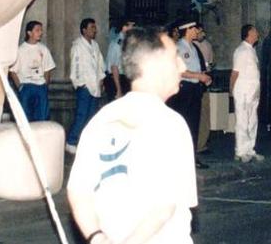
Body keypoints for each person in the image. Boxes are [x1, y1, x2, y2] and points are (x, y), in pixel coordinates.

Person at [66, 26, 197, 244]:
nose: (182, 66)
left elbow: (78, 191)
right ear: (156, 66)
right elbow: (165, 206)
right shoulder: (171, 124)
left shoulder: (101, 119)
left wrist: (96, 237)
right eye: (175, 58)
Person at [169, 21, 212, 169]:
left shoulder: (194, 48)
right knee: (184, 123)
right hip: (184, 90)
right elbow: (179, 70)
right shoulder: (179, 48)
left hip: (194, 89)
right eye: (194, 29)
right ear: (187, 30)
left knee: (194, 124)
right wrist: (198, 76)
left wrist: (204, 77)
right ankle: (180, 157)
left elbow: (199, 67)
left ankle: (191, 157)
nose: (197, 31)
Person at [67, 17, 106, 154]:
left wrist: (101, 79)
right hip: (85, 86)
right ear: (84, 30)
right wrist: (80, 84)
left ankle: (85, 142)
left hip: (95, 86)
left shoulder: (95, 45)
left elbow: (100, 64)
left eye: (95, 27)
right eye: (91, 27)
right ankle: (71, 141)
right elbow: (75, 66)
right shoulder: (78, 45)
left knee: (91, 116)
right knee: (81, 115)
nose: (94, 30)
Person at [9, 20, 56, 122]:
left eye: (41, 30)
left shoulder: (43, 49)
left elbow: (47, 68)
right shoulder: (20, 50)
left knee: (42, 117)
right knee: (25, 117)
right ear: (29, 33)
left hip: (40, 86)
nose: (41, 33)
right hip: (26, 86)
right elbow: (12, 71)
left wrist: (45, 85)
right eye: (37, 30)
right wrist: (20, 87)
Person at [230, 24, 263, 163]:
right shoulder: (242, 50)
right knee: (242, 120)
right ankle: (241, 151)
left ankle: (250, 149)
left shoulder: (251, 50)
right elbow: (235, 72)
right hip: (242, 91)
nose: (257, 33)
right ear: (248, 33)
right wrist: (231, 90)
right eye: (255, 31)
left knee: (252, 120)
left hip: (252, 92)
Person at [193, 22, 215, 154]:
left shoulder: (207, 45)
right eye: (200, 31)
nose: (203, 34)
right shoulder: (191, 47)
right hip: (195, 84)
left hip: (205, 82)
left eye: (203, 31)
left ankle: (202, 143)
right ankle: (196, 145)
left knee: (205, 115)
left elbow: (211, 63)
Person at [104, 16, 135, 100]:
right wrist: (119, 89)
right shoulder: (116, 44)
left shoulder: (128, 43)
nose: (133, 29)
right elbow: (114, 67)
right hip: (116, 80)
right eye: (131, 26)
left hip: (124, 79)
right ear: (124, 27)